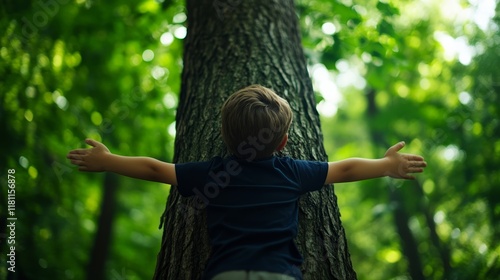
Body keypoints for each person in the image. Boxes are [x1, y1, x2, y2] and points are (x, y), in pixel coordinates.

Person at [67, 85, 427, 280]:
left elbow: (155, 169)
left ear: (223, 135)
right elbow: (344, 170)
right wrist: (385, 165)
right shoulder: (292, 172)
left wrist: (108, 161)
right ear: (284, 142)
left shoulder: (211, 173)